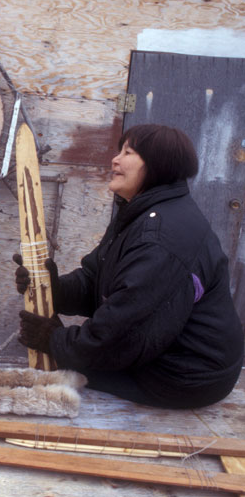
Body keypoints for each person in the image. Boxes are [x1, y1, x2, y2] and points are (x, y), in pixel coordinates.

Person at [14, 124, 244, 409]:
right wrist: (52, 288)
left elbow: (124, 333)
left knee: (72, 370)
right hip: (167, 357)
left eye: (128, 152)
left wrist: (54, 340)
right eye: (119, 150)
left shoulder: (161, 237)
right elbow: (95, 279)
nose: (115, 159)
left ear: (158, 164)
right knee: (73, 364)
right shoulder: (140, 214)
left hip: (187, 375)